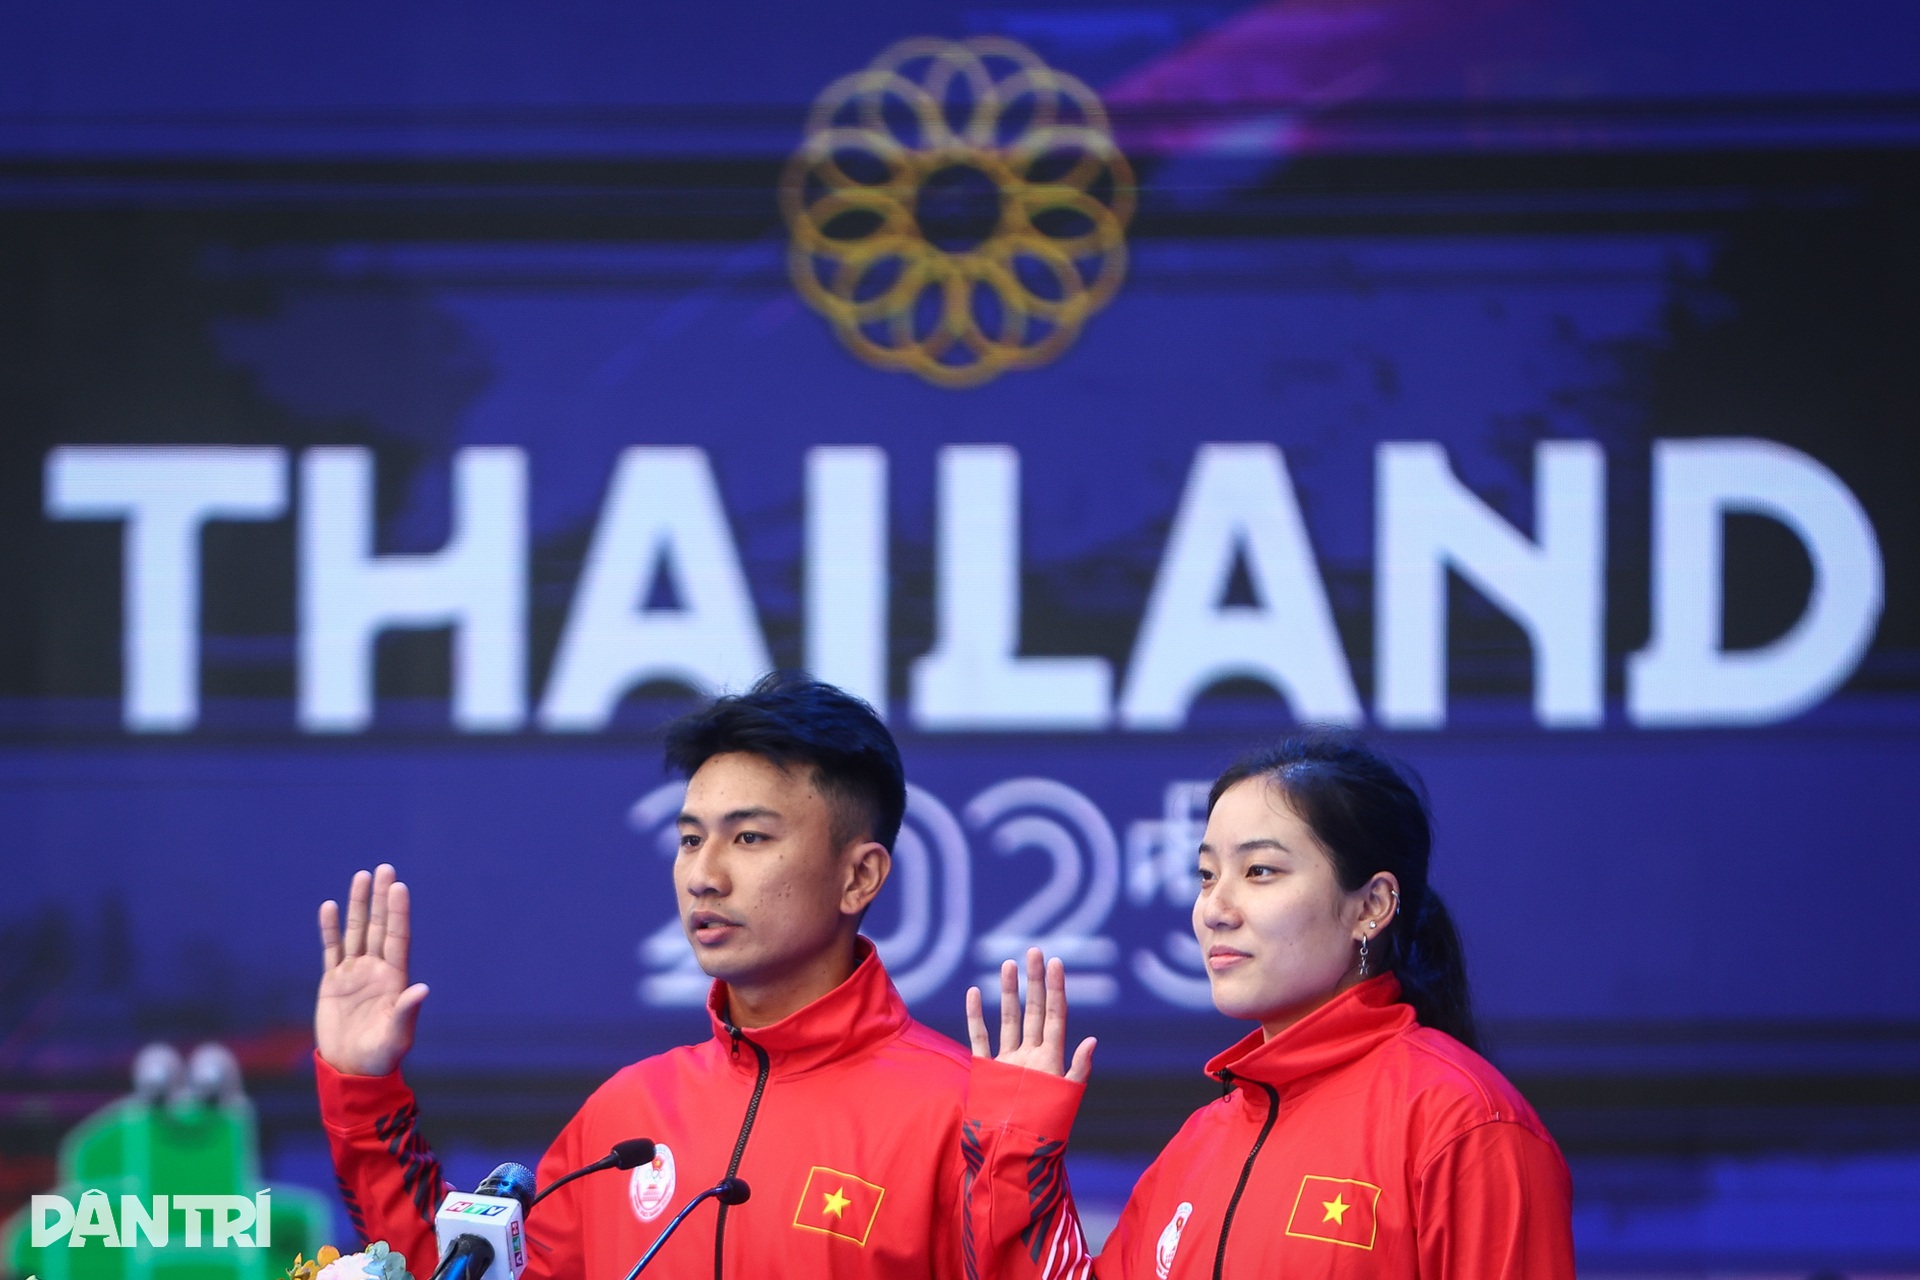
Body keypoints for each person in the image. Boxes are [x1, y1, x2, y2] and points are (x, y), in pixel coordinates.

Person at [313, 672, 970, 1280]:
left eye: (749, 837)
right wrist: (364, 1091)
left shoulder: (964, 1119)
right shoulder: (627, 1115)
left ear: (859, 876)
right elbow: (468, 1272)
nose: (703, 876)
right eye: (690, 839)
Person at [961, 732, 1575, 1278]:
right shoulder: (1201, 1143)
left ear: (1371, 906)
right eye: (1206, 875)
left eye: (1259, 871)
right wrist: (1018, 1149)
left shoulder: (1466, 1125)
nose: (1215, 909)